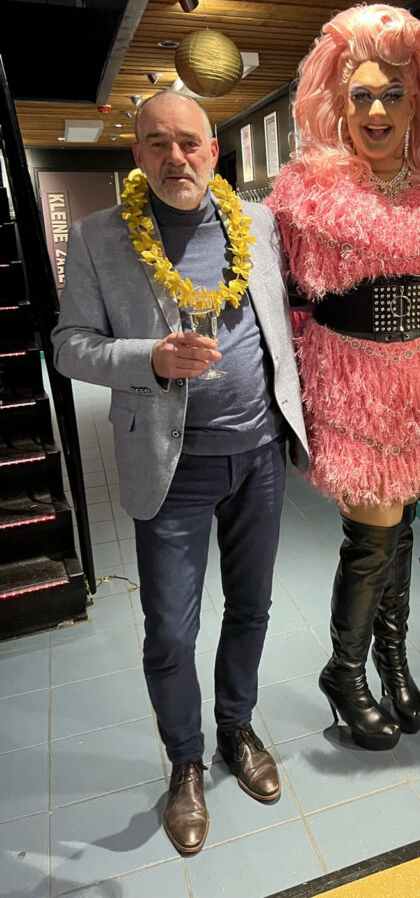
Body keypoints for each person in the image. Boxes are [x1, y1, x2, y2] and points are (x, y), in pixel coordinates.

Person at [51, 91, 309, 855]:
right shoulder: (100, 239)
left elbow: (284, 320)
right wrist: (150, 360)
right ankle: (185, 762)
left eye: (190, 142)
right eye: (158, 144)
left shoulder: (258, 223)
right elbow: (68, 345)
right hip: (171, 466)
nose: (176, 158)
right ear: (137, 155)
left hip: (259, 454)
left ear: (214, 151)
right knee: (169, 629)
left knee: (252, 607)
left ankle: (237, 728)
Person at [267, 4, 420, 751]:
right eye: (362, 96)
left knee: (399, 529)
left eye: (392, 95)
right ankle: (346, 671)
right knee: (372, 534)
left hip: (418, 393)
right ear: (340, 104)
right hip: (348, 389)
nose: (377, 112)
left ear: (417, 104)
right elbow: (275, 298)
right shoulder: (306, 195)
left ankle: (393, 661)